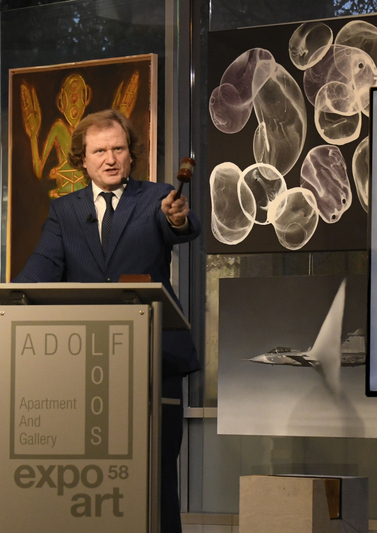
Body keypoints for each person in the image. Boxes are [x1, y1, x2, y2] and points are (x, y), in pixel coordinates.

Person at [13, 108, 201, 533]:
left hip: (153, 361)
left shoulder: (158, 198)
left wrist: (177, 218)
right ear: (83, 159)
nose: (110, 159)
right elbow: (38, 272)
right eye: (99, 151)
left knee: (156, 480)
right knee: (93, 481)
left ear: (132, 154)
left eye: (118, 149)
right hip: (86, 366)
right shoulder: (64, 211)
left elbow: (181, 225)